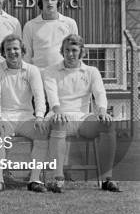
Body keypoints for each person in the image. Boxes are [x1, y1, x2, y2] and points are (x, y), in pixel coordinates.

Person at [43, 34, 120, 193]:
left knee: (108, 124)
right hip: (57, 115)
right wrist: (58, 111)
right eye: (67, 50)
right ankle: (58, 179)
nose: (70, 54)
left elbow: (100, 94)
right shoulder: (50, 71)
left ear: (81, 52)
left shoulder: (92, 71)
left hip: (82, 118)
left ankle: (107, 179)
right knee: (59, 121)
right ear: (62, 51)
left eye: (74, 50)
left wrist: (102, 112)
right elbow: (52, 97)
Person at [0, 35, 49, 193]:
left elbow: (39, 95)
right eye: (8, 49)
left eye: (16, 49)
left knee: (42, 133)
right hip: (5, 117)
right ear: (3, 52)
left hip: (26, 117)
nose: (12, 52)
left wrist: (40, 116)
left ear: (22, 51)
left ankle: (34, 180)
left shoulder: (32, 70)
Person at [23, 0, 78, 69]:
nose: (49, 2)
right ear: (41, 2)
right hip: (39, 74)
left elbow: (76, 50)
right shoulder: (30, 25)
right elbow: (27, 55)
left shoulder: (70, 23)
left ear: (58, 1)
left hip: (63, 73)